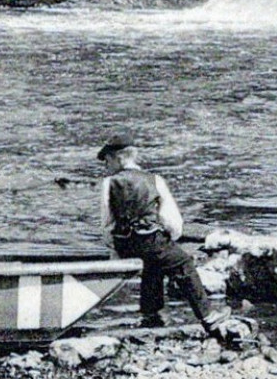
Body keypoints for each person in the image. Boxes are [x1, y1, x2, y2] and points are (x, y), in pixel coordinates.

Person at [96, 136, 232, 333]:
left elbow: (107, 222)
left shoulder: (108, 183)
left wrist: (114, 248)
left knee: (154, 265)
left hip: (125, 243)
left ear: (119, 159)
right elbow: (171, 221)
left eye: (107, 160)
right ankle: (208, 316)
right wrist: (172, 237)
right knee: (183, 262)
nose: (105, 166)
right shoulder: (154, 180)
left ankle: (151, 315)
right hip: (150, 239)